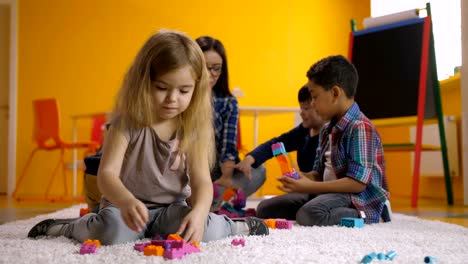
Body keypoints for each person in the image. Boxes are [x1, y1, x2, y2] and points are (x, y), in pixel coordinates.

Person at [27, 30, 268, 245]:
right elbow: (107, 174)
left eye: (184, 91)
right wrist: (126, 201)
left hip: (171, 210)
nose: (172, 98)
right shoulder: (125, 123)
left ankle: (238, 226)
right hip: (125, 208)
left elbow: (201, 182)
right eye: (162, 88)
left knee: (203, 228)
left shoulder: (191, 128)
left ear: (196, 88)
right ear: (143, 82)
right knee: (110, 232)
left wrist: (199, 212)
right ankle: (65, 227)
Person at [257, 55, 389, 226]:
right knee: (265, 209)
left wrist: (308, 187)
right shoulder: (327, 129)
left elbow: (357, 184)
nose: (312, 103)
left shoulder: (360, 127)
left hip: (356, 198)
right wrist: (300, 177)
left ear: (334, 93)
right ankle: (318, 206)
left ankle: (369, 215)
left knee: (310, 214)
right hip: (327, 194)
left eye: (315, 96)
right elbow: (318, 174)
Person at [195, 36, 266, 207]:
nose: (210, 74)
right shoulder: (182, 97)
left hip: (217, 170)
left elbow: (228, 146)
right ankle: (206, 200)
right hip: (189, 171)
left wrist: (226, 177)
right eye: (204, 67)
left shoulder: (227, 101)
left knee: (259, 171)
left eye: (216, 69)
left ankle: (211, 200)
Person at [236, 85, 325, 178]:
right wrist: (250, 158)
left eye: (306, 108)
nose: (301, 112)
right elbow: (273, 144)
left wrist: (301, 178)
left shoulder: (330, 136)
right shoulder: (303, 131)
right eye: (301, 108)